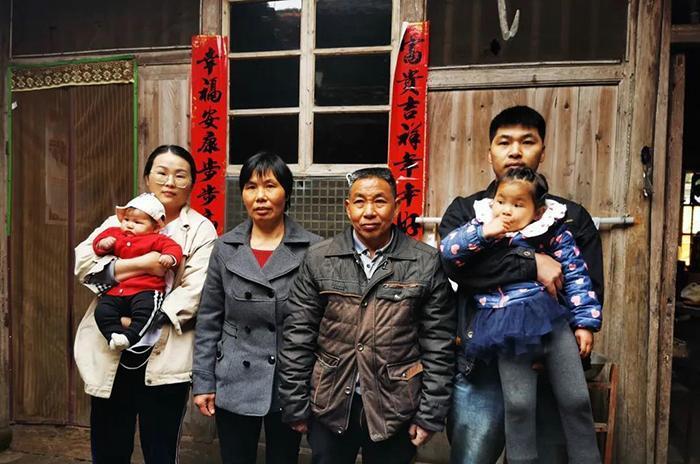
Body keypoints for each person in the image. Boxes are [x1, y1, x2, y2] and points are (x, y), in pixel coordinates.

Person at [440, 106, 604, 464]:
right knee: (472, 457)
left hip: (550, 359)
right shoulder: (467, 212)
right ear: (489, 153)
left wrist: (583, 326)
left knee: (546, 455)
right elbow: (459, 269)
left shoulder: (568, 217)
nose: (515, 151)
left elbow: (586, 281)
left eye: (527, 142)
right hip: (480, 360)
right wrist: (534, 263)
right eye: (504, 142)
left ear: (542, 151)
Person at [278, 167, 455, 464]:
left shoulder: (424, 262)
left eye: (379, 201)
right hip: (330, 400)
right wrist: (295, 403)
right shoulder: (320, 258)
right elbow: (298, 334)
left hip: (396, 404)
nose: (369, 211)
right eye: (360, 202)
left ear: (396, 207)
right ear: (348, 208)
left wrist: (430, 414)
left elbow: (438, 343)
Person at [74, 145, 217, 464]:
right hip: (111, 350)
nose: (170, 182)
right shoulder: (122, 219)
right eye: (161, 173)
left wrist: (142, 320)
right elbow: (84, 263)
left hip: (165, 353)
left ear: (192, 183)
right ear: (147, 178)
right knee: (109, 448)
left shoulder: (200, 229)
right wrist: (143, 264)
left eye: (180, 175)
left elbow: (195, 289)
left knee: (160, 450)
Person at [192, 152, 322, 464]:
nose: (260, 196)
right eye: (251, 187)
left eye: (270, 186)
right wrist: (203, 381)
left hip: (289, 380)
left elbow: (321, 323)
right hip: (234, 376)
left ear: (286, 193)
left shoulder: (314, 249)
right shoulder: (225, 247)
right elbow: (209, 320)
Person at [92, 193, 183, 351]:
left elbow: (174, 248)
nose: (129, 225)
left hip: (146, 290)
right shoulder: (114, 232)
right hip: (117, 290)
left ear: (155, 227)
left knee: (145, 312)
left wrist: (169, 257)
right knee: (102, 311)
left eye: (137, 222)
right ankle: (113, 336)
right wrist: (103, 244)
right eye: (126, 220)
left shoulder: (157, 239)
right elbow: (97, 243)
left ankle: (129, 337)